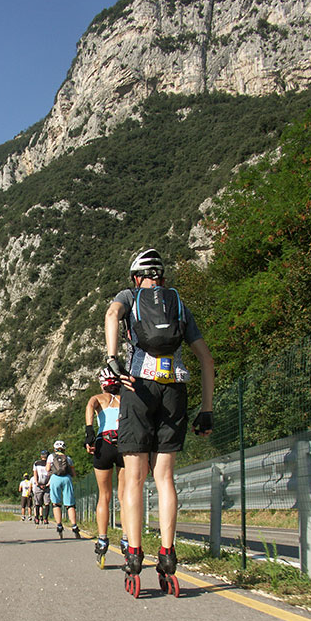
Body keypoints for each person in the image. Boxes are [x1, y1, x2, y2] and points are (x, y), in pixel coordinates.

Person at [104, 248, 214, 589]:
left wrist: (112, 358)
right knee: (165, 478)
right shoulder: (177, 302)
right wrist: (206, 410)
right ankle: (167, 555)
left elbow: (111, 315)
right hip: (174, 390)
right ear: (162, 278)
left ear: (137, 277)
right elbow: (207, 361)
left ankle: (134, 554)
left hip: (137, 388)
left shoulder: (130, 296)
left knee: (134, 479)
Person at [84, 367, 128, 565]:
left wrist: (89, 431)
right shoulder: (125, 398)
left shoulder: (99, 398)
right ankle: (127, 539)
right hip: (125, 444)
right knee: (125, 495)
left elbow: (90, 405)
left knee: (105, 495)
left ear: (102, 383)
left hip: (104, 444)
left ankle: (102, 539)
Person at [46, 440, 81, 539]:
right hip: (66, 479)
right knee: (70, 504)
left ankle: (59, 525)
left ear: (54, 448)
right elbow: (73, 474)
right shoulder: (68, 458)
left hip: (55, 479)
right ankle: (74, 525)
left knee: (56, 503)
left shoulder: (51, 457)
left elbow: (48, 469)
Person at [32, 450, 51, 526]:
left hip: (39, 484)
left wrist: (37, 483)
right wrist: (48, 484)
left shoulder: (36, 463)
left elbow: (35, 474)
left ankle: (37, 518)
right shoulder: (50, 463)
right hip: (47, 484)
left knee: (37, 503)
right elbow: (51, 474)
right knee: (47, 503)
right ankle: (46, 518)